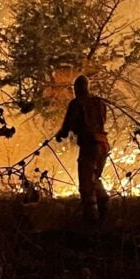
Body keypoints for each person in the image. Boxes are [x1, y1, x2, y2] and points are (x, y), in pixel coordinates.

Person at [55, 75, 110, 223]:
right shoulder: (99, 102)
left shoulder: (77, 103)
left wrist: (61, 135)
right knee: (95, 177)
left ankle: (91, 219)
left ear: (77, 88)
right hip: (103, 144)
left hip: (90, 145)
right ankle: (105, 207)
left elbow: (68, 125)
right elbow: (101, 121)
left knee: (86, 183)